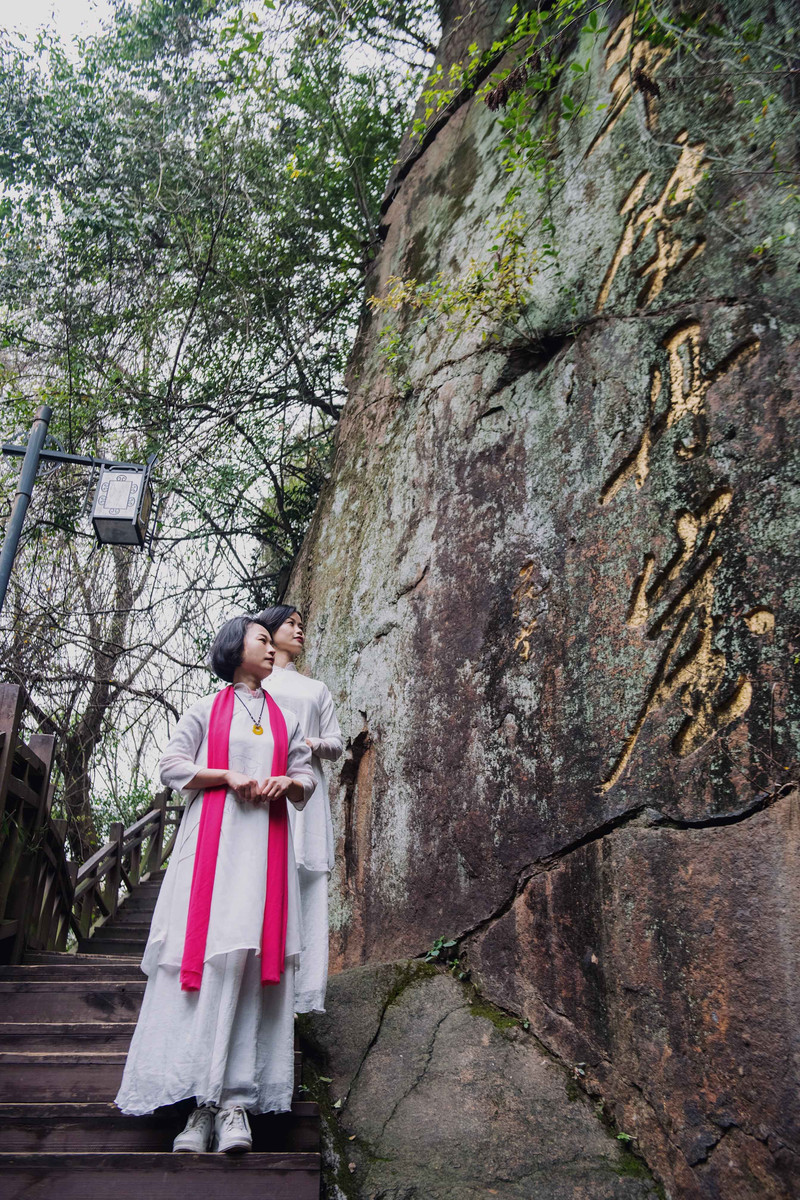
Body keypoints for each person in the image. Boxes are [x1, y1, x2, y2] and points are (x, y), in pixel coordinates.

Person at [115, 615, 316, 1155]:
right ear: (235, 647)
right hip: (213, 846)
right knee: (203, 957)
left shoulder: (285, 717)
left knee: (251, 957)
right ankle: (198, 1105)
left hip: (264, 852)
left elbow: (307, 778)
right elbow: (171, 766)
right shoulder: (205, 708)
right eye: (259, 640)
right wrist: (225, 775)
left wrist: (288, 781)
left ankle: (236, 1105)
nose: (270, 648)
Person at [257, 605, 342, 1014]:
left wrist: (306, 742)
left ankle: (303, 993)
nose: (298, 630)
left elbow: (337, 744)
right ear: (269, 632)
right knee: (259, 880)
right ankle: (256, 980)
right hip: (263, 791)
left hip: (305, 796)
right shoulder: (255, 683)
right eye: (290, 623)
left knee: (307, 887)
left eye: (301, 624)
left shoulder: (316, 689)